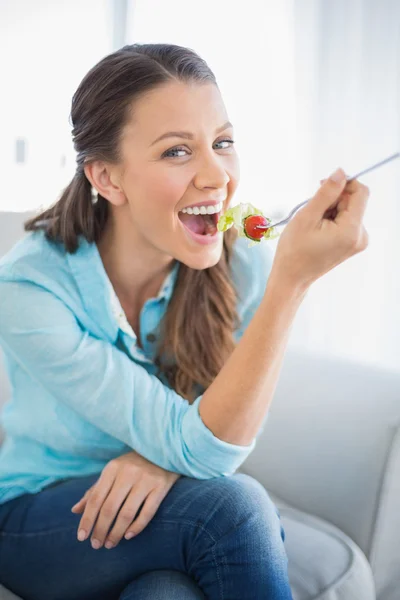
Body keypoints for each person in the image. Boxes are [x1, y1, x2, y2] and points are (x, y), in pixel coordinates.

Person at [0, 43, 369, 600]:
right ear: (107, 178)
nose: (216, 175)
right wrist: (291, 284)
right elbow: (208, 451)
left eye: (222, 143)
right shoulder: (29, 289)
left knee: (167, 593)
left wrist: (163, 463)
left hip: (170, 510)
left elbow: (218, 434)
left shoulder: (242, 263)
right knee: (234, 508)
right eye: (177, 152)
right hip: (43, 514)